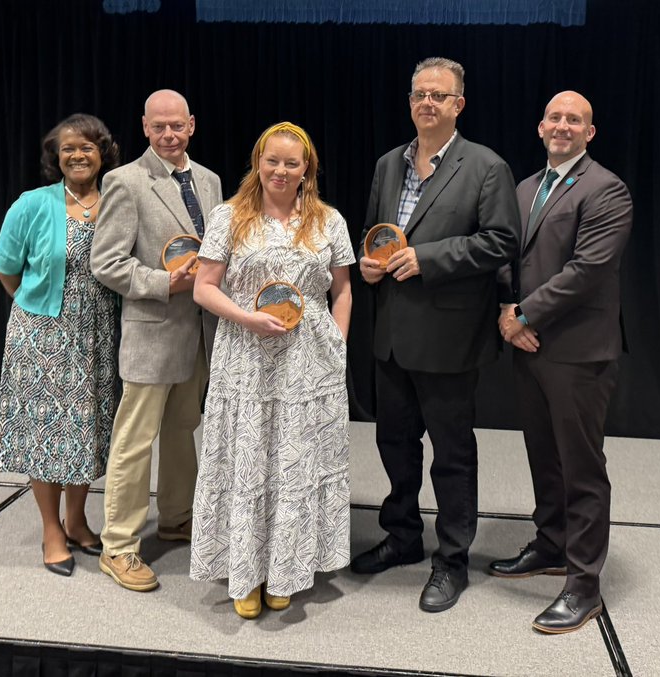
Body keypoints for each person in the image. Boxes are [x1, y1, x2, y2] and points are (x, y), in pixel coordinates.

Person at [352, 57, 520, 612]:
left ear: (458, 105)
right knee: (393, 444)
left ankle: (451, 558)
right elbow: (376, 236)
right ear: (410, 102)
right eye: (419, 94)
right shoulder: (387, 164)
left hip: (449, 339)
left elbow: (500, 243)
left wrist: (426, 258)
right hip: (392, 336)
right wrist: (368, 265)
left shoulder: (486, 167)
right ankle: (402, 537)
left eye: (439, 96)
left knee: (450, 453)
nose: (428, 103)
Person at [189, 122, 354, 620]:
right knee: (249, 461)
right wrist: (247, 318)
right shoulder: (229, 217)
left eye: (292, 163)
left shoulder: (328, 220)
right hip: (246, 359)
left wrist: (337, 347)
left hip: (309, 365)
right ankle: (245, 572)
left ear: (308, 170)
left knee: (296, 463)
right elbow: (204, 288)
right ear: (258, 163)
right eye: (272, 161)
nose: (281, 171)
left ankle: (286, 569)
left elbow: (343, 290)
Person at [492, 90, 633, 634]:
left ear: (590, 133)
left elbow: (587, 270)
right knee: (543, 456)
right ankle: (551, 544)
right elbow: (509, 256)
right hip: (530, 346)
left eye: (575, 119)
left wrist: (524, 314)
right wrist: (509, 310)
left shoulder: (606, 189)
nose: (563, 126)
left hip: (578, 352)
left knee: (582, 468)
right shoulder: (526, 188)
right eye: (555, 117)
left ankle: (583, 585)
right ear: (540, 126)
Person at [90, 90, 223, 592]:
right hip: (152, 331)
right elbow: (106, 263)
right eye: (159, 127)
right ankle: (119, 546)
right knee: (134, 441)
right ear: (144, 128)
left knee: (183, 429)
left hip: (199, 335)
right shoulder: (124, 182)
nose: (169, 135)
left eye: (177, 126)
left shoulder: (209, 180)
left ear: (192, 125)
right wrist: (164, 283)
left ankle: (175, 517)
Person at [0, 113, 122, 576]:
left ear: (103, 153)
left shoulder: (115, 202)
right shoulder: (31, 204)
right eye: (69, 148)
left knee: (85, 429)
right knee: (44, 433)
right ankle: (51, 529)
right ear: (56, 157)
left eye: (87, 147)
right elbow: (5, 266)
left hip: (97, 335)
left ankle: (78, 520)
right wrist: (33, 305)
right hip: (41, 334)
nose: (78, 155)